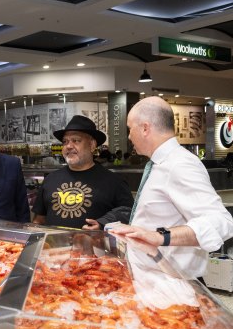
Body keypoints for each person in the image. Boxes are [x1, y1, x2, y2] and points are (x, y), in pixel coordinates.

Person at [110, 96, 233, 278]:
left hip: (174, 284)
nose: (128, 136)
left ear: (145, 128)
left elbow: (221, 221)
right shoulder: (158, 163)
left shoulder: (180, 164)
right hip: (152, 280)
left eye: (130, 129)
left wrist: (160, 236)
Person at [32, 115, 134, 230]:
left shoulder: (114, 181)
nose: (69, 146)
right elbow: (39, 220)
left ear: (92, 145)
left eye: (76, 140)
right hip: (54, 247)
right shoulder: (50, 179)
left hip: (95, 247)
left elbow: (128, 212)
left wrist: (102, 223)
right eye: (65, 142)